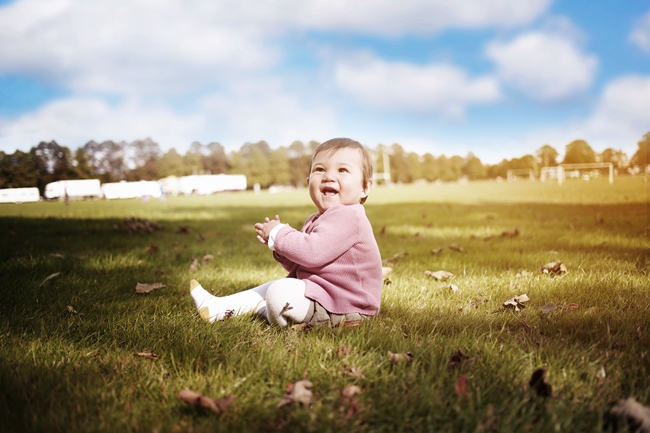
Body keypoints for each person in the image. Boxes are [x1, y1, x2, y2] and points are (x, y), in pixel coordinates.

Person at [189, 138, 383, 327]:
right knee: (275, 287)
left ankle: (264, 311)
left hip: (348, 304)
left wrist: (280, 233)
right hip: (324, 293)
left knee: (279, 291)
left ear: (365, 187)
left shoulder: (349, 216)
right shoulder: (317, 218)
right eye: (320, 169)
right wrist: (281, 249)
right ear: (309, 182)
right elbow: (303, 263)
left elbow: (312, 253)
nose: (329, 176)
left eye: (342, 170)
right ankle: (218, 308)